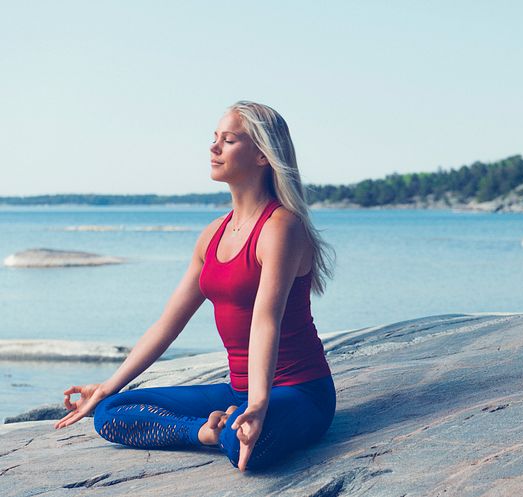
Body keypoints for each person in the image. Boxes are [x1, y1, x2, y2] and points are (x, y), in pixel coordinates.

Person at [54, 100, 337, 473]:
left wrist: (258, 404)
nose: (213, 147)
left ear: (262, 156)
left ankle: (230, 426)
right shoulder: (212, 235)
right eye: (214, 138)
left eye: (229, 140)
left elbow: (266, 319)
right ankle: (204, 432)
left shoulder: (281, 227)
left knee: (242, 444)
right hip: (236, 391)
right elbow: (168, 324)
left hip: (297, 391)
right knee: (109, 412)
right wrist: (108, 385)